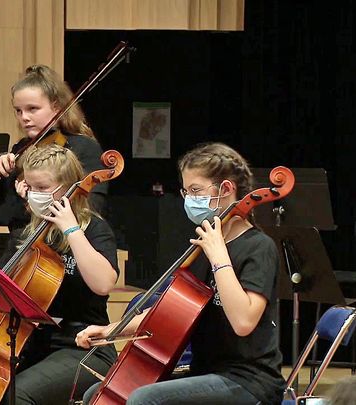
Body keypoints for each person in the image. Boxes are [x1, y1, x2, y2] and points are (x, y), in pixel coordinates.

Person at [77, 142, 285, 405]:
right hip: (204, 372)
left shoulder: (257, 247)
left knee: (144, 400)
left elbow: (243, 322)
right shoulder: (202, 247)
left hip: (249, 381)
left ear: (227, 189)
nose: (189, 200)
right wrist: (110, 330)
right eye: (186, 191)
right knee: (96, 394)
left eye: (196, 191)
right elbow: (166, 313)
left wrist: (219, 257)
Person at [0, 144, 119, 404]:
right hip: (31, 343)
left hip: (82, 346)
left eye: (42, 188)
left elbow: (103, 284)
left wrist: (72, 230)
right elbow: (1, 283)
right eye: (30, 187)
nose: (34, 195)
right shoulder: (25, 234)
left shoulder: (94, 229)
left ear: (70, 188)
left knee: (19, 395)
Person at [0, 64, 107, 231]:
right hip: (21, 244)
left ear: (56, 107)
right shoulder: (21, 149)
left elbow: (91, 208)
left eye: (32, 109)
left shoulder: (84, 148)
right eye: (18, 111)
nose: (24, 117)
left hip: (65, 246)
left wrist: (32, 200)